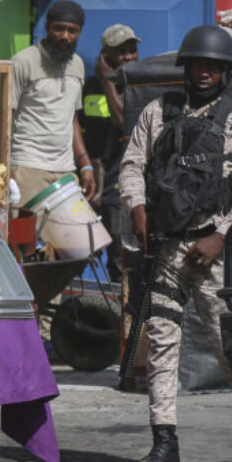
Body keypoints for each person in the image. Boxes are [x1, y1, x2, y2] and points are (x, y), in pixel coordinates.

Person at [120, 25, 232, 462]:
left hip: (216, 251)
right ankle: (164, 443)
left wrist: (222, 235)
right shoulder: (157, 113)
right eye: (197, 65)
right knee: (162, 345)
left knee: (229, 346)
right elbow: (132, 165)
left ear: (226, 73)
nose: (203, 73)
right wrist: (138, 206)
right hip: (168, 247)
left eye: (213, 67)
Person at [10, 0, 97, 205]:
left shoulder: (77, 65)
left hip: (66, 171)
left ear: (80, 32)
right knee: (24, 236)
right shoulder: (23, 61)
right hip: (26, 168)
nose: (65, 36)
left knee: (72, 236)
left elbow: (72, 118)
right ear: (47, 27)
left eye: (72, 31)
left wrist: (85, 164)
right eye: (59, 29)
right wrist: (5, 168)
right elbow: (5, 115)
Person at [79, 23, 140, 282]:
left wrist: (107, 81)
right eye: (121, 52)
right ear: (105, 55)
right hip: (87, 185)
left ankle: (121, 319)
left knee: (119, 258)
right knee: (78, 255)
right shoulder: (87, 87)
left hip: (117, 189)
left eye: (132, 50)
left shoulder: (136, 89)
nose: (128, 57)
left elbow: (122, 121)